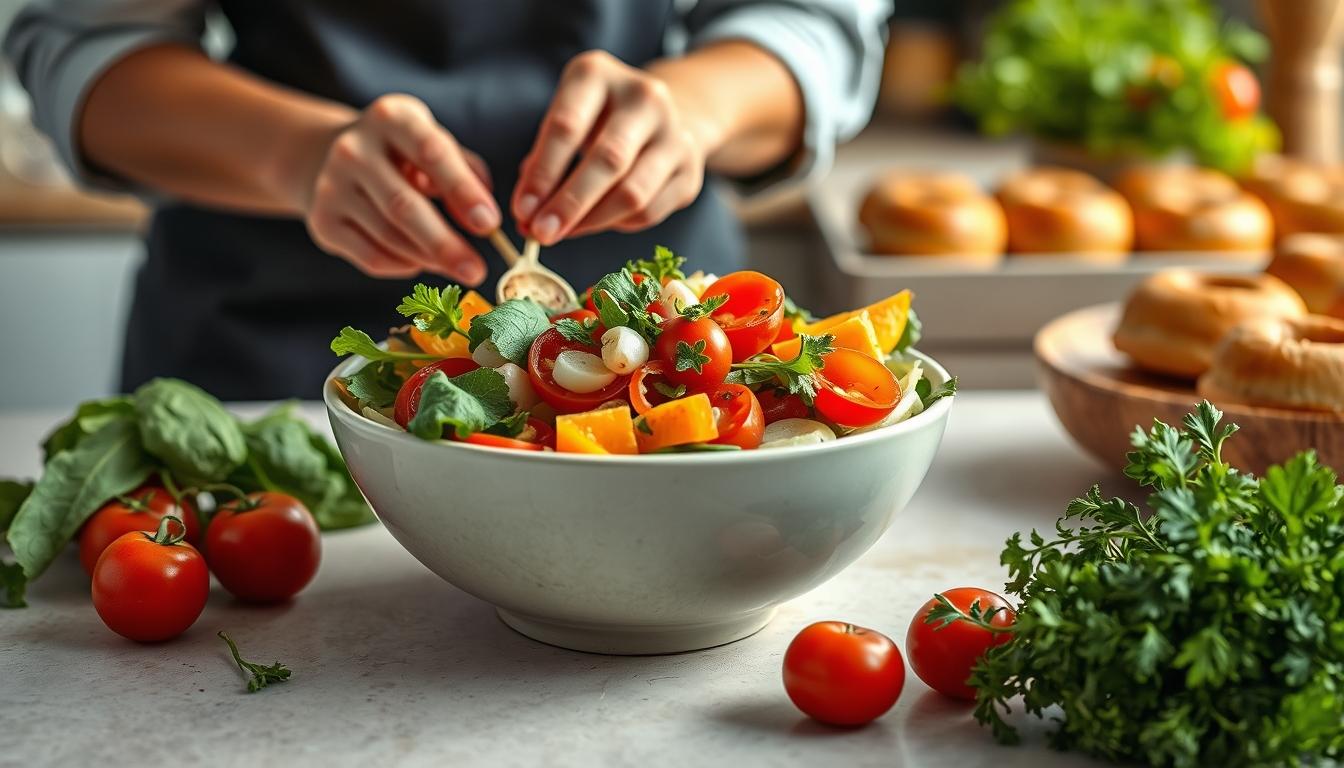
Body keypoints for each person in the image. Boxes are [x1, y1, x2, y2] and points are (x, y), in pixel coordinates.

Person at [6, 1, 889, 399]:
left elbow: (816, 22)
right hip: (267, 354)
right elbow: (81, 47)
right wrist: (298, 156)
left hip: (666, 372)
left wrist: (695, 111)